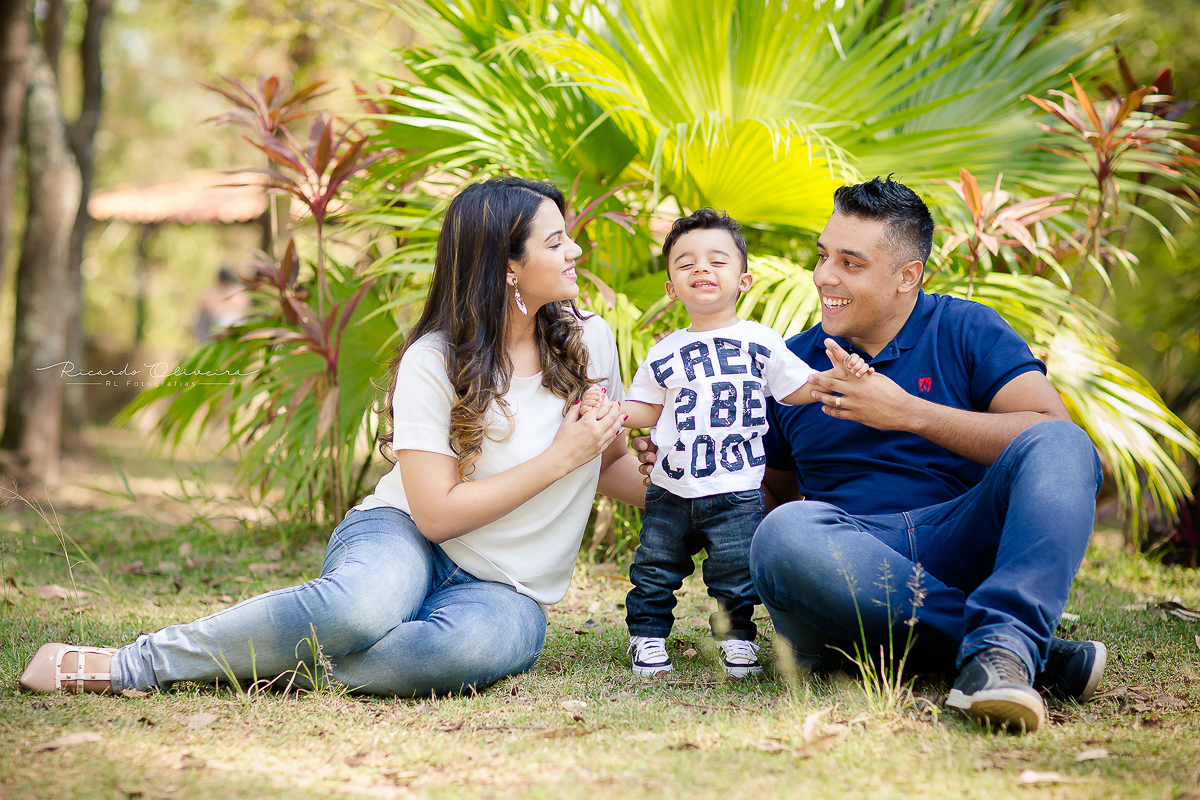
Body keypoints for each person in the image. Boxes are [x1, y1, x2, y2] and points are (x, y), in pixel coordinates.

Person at [20, 177, 645, 698]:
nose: (575, 252)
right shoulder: (434, 359)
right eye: (556, 241)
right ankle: (134, 664)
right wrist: (560, 457)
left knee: (452, 653)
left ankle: (267, 661)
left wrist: (693, 492)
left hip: (508, 589)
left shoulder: (589, 341)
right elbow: (436, 516)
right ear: (506, 266)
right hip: (407, 534)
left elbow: (607, 460)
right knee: (357, 611)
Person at [636, 178, 1106, 733]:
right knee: (785, 532)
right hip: (844, 572)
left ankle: (998, 647)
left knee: (1064, 441)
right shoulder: (786, 364)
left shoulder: (966, 328)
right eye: (822, 256)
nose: (823, 277)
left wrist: (910, 413)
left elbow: (1052, 436)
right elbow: (769, 500)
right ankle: (1010, 651)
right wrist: (688, 460)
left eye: (850, 263)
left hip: (958, 539)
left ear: (908, 276)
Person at [611, 209, 870, 680]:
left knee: (735, 573)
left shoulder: (760, 341)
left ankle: (737, 640)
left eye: (717, 261)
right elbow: (647, 407)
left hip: (737, 489)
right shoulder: (664, 351)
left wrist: (834, 378)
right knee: (655, 568)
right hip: (671, 487)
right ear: (671, 288)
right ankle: (646, 636)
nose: (701, 269)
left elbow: (796, 388)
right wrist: (612, 413)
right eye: (686, 263)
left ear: (744, 281)